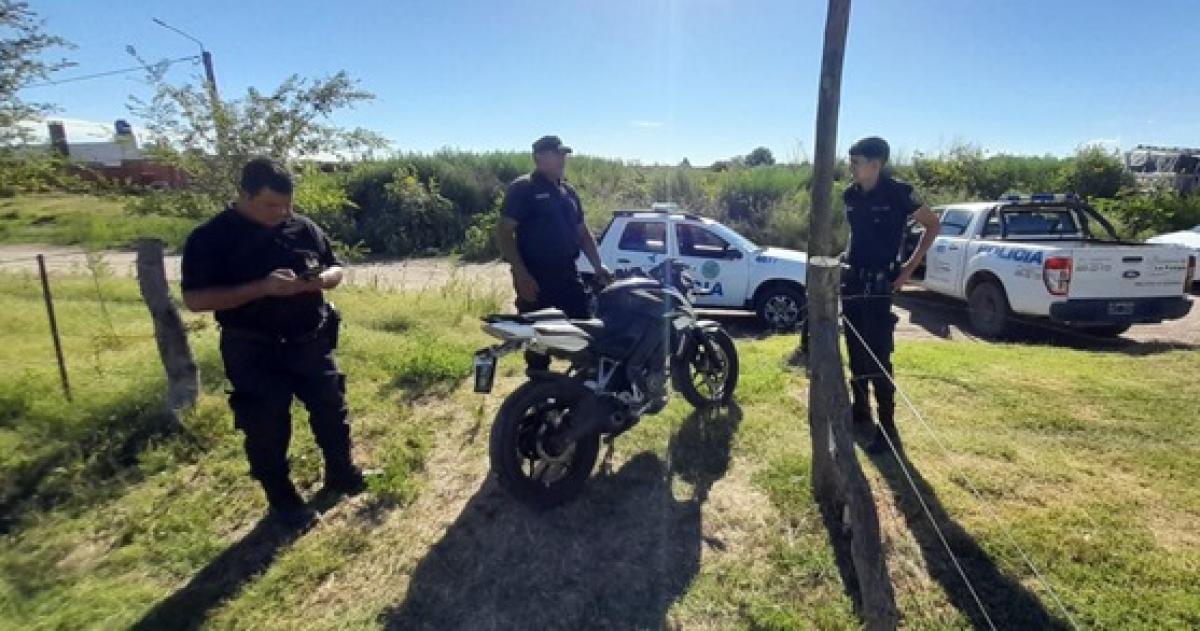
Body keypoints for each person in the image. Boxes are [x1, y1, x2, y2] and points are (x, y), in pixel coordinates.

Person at [181, 157, 364, 529]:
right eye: (271, 205)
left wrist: (323, 280)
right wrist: (262, 288)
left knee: (331, 409)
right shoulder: (212, 237)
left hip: (311, 339)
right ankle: (282, 501)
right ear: (244, 195)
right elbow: (196, 299)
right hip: (254, 348)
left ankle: (341, 474)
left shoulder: (303, 228)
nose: (282, 212)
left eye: (288, 204)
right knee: (265, 425)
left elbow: (335, 267)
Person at [842, 137, 940, 454]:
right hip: (853, 280)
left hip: (881, 283)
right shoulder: (850, 194)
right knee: (855, 348)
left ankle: (888, 428)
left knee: (878, 354)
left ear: (875, 164)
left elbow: (932, 225)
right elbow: (856, 235)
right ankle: (860, 411)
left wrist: (910, 268)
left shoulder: (898, 192)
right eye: (851, 160)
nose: (851, 166)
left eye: (856, 161)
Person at [496, 135, 612, 372]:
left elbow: (583, 232)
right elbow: (504, 232)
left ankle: (581, 391)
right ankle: (538, 395)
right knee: (538, 339)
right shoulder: (523, 188)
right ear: (539, 157)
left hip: (568, 274)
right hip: (535, 277)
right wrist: (519, 272)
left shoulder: (568, 191)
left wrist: (599, 265)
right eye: (557, 154)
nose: (562, 159)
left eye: (564, 154)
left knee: (584, 332)